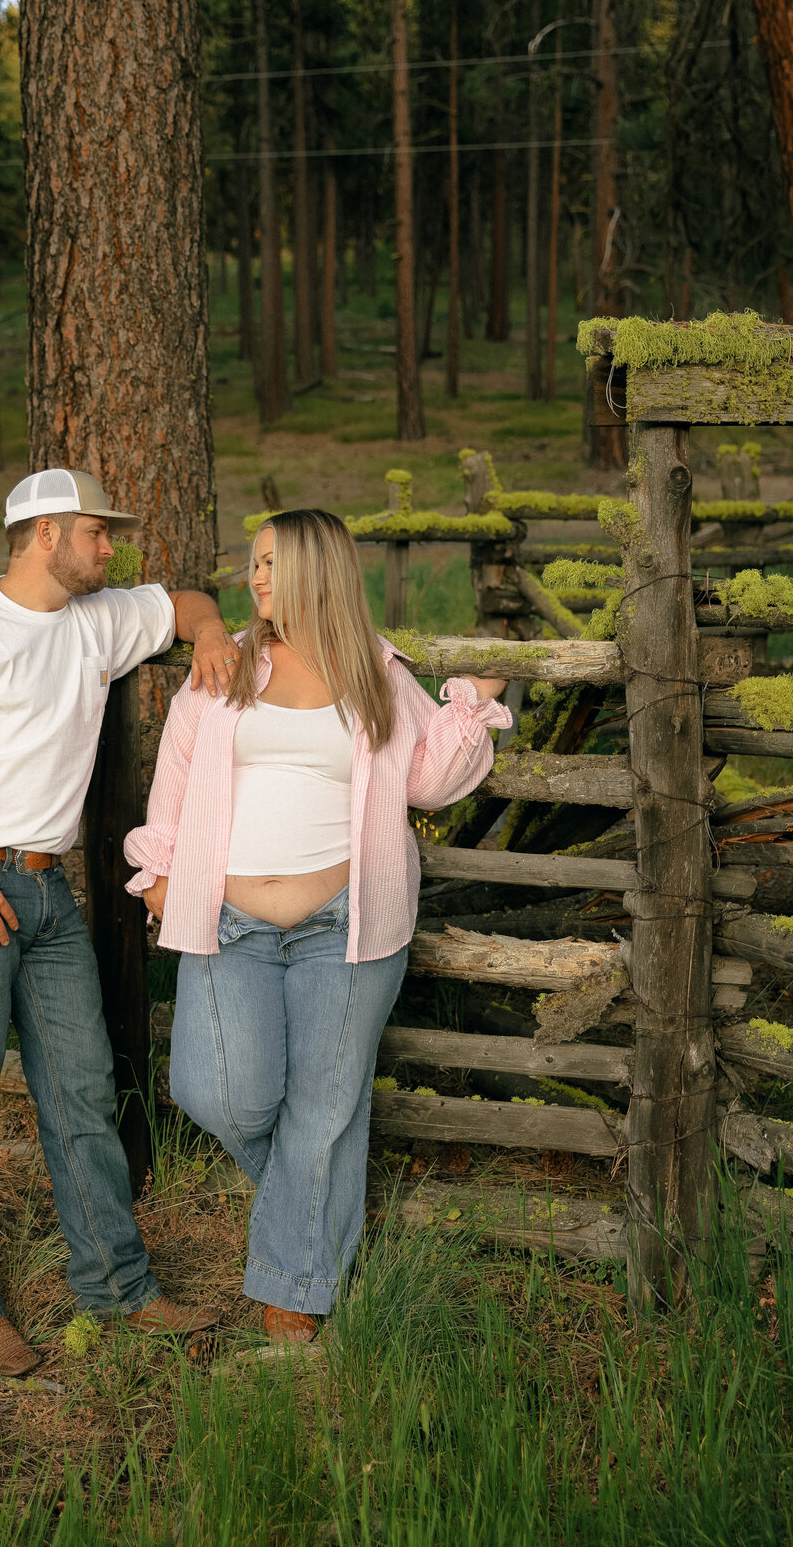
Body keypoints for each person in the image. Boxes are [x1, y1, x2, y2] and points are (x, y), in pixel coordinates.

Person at [124, 509, 510, 1344]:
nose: (254, 579)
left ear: (316, 569)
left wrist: (479, 696)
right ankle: (317, 1220)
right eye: (253, 564)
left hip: (350, 921)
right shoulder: (223, 665)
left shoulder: (375, 672)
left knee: (325, 1108)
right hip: (229, 919)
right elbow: (178, 776)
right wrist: (158, 871)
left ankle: (296, 1291)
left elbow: (429, 782)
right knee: (217, 1089)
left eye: (269, 563)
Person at [0, 468, 234, 1375]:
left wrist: (210, 635)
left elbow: (191, 600)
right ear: (44, 535)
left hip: (48, 895)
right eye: (94, 533)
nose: (109, 548)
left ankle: (119, 1288)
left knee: (81, 1092)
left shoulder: (99, 619)